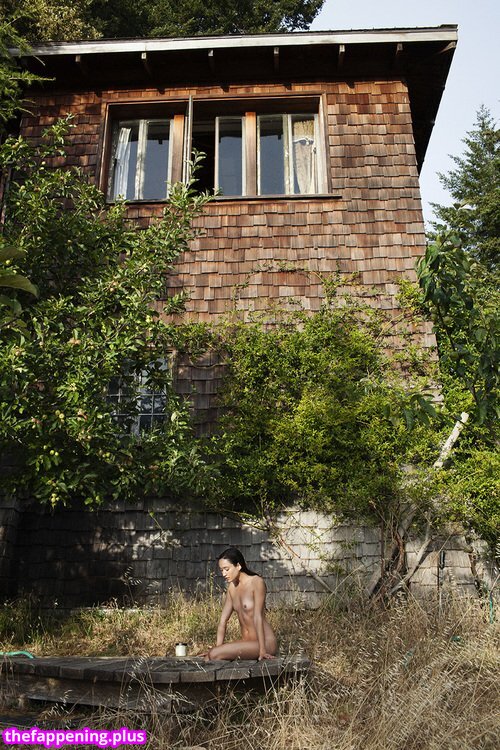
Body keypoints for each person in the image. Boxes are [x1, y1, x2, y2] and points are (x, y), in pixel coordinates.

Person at [204, 547, 277, 661]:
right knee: (209, 657)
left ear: (238, 566)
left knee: (213, 654)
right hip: (247, 643)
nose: (223, 574)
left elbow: (258, 617)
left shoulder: (256, 582)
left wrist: (262, 650)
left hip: (265, 643)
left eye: (226, 569)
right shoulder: (232, 588)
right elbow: (223, 621)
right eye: (221, 570)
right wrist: (218, 648)